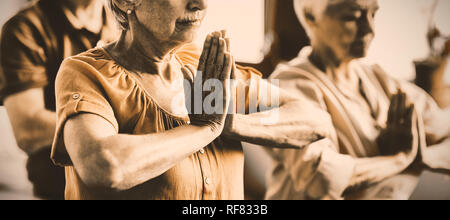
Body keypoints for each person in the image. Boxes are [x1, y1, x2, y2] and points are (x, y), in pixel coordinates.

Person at [51, 0, 334, 200]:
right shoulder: (88, 73)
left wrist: (228, 124)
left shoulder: (205, 69)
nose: (201, 3)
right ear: (127, 2)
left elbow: (313, 119)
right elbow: (104, 166)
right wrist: (203, 129)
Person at [265, 0, 450, 200]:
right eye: (351, 17)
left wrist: (421, 156)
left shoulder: (380, 81)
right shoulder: (287, 87)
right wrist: (399, 159)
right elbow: (321, 180)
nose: (369, 29)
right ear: (311, 17)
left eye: (373, 15)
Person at [0, 0, 118, 200]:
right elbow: (29, 130)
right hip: (59, 190)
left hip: (129, 185)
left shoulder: (124, 21)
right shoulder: (24, 29)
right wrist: (107, 130)